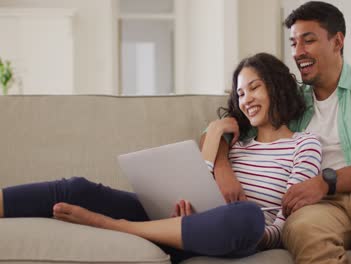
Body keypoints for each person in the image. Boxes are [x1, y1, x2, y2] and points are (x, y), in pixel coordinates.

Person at [0, 53, 322, 263]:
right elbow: (198, 178)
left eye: (254, 88)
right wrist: (215, 132)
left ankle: (113, 226)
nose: (246, 99)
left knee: (247, 216)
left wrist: (213, 225)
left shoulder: (304, 145)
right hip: (177, 222)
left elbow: (285, 220)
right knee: (78, 188)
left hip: (234, 232)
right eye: (240, 93)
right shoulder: (234, 143)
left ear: (277, 87)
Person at [208, 2, 351, 264]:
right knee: (303, 230)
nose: (298, 52)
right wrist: (222, 167)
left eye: (308, 40)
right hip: (320, 206)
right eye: (293, 43)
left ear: (337, 41)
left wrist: (325, 181)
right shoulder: (291, 100)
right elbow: (229, 126)